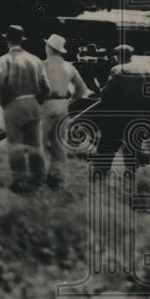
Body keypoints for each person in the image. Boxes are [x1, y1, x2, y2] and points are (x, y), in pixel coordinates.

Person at [92, 44, 150, 178]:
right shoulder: (145, 71)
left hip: (117, 117)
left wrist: (102, 102)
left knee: (106, 147)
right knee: (133, 149)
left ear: (117, 57)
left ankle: (100, 176)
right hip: (138, 117)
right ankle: (130, 178)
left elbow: (107, 96)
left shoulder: (117, 69)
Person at [0, 24, 51, 193]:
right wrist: (39, 100)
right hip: (33, 104)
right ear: (22, 40)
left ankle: (19, 181)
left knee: (15, 144)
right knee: (35, 144)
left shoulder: (5, 59)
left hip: (14, 103)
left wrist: (4, 103)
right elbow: (46, 86)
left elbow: (1, 83)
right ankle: (38, 180)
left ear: (7, 40)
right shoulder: (35, 59)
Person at [40, 34, 92, 188]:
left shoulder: (41, 65)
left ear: (49, 48)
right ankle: (56, 179)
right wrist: (70, 101)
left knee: (39, 143)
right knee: (59, 145)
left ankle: (38, 178)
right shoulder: (69, 67)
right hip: (63, 107)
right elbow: (82, 90)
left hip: (46, 106)